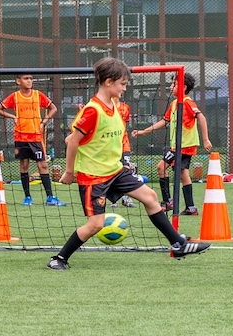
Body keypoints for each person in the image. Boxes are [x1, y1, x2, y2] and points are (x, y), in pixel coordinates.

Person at [47, 57, 210, 270]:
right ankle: (59, 258)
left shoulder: (114, 105)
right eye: (122, 84)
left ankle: (178, 244)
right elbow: (73, 141)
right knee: (95, 225)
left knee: (150, 197)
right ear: (108, 82)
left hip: (115, 170)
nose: (124, 88)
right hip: (94, 177)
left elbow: (77, 138)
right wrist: (69, 172)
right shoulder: (92, 110)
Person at [133, 72, 212, 216]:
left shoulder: (188, 102)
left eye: (174, 84)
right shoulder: (174, 103)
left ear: (183, 87)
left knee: (161, 167)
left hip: (185, 146)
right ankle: (191, 208)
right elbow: (164, 121)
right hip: (178, 145)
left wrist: (205, 139)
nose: (171, 87)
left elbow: (201, 117)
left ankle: (167, 202)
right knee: (183, 174)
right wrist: (144, 131)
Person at [0, 73, 65, 206]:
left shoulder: (38, 95)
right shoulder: (14, 97)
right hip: (20, 137)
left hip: (36, 137)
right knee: (24, 165)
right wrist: (12, 117)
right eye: (26, 78)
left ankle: (50, 197)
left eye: (31, 78)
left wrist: (44, 122)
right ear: (18, 81)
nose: (29, 81)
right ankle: (27, 197)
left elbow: (53, 108)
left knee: (42, 165)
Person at [110, 95, 136, 208]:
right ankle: (113, 199)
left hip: (124, 144)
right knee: (112, 170)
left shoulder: (125, 108)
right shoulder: (106, 107)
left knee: (127, 168)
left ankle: (126, 198)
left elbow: (125, 125)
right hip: (111, 145)